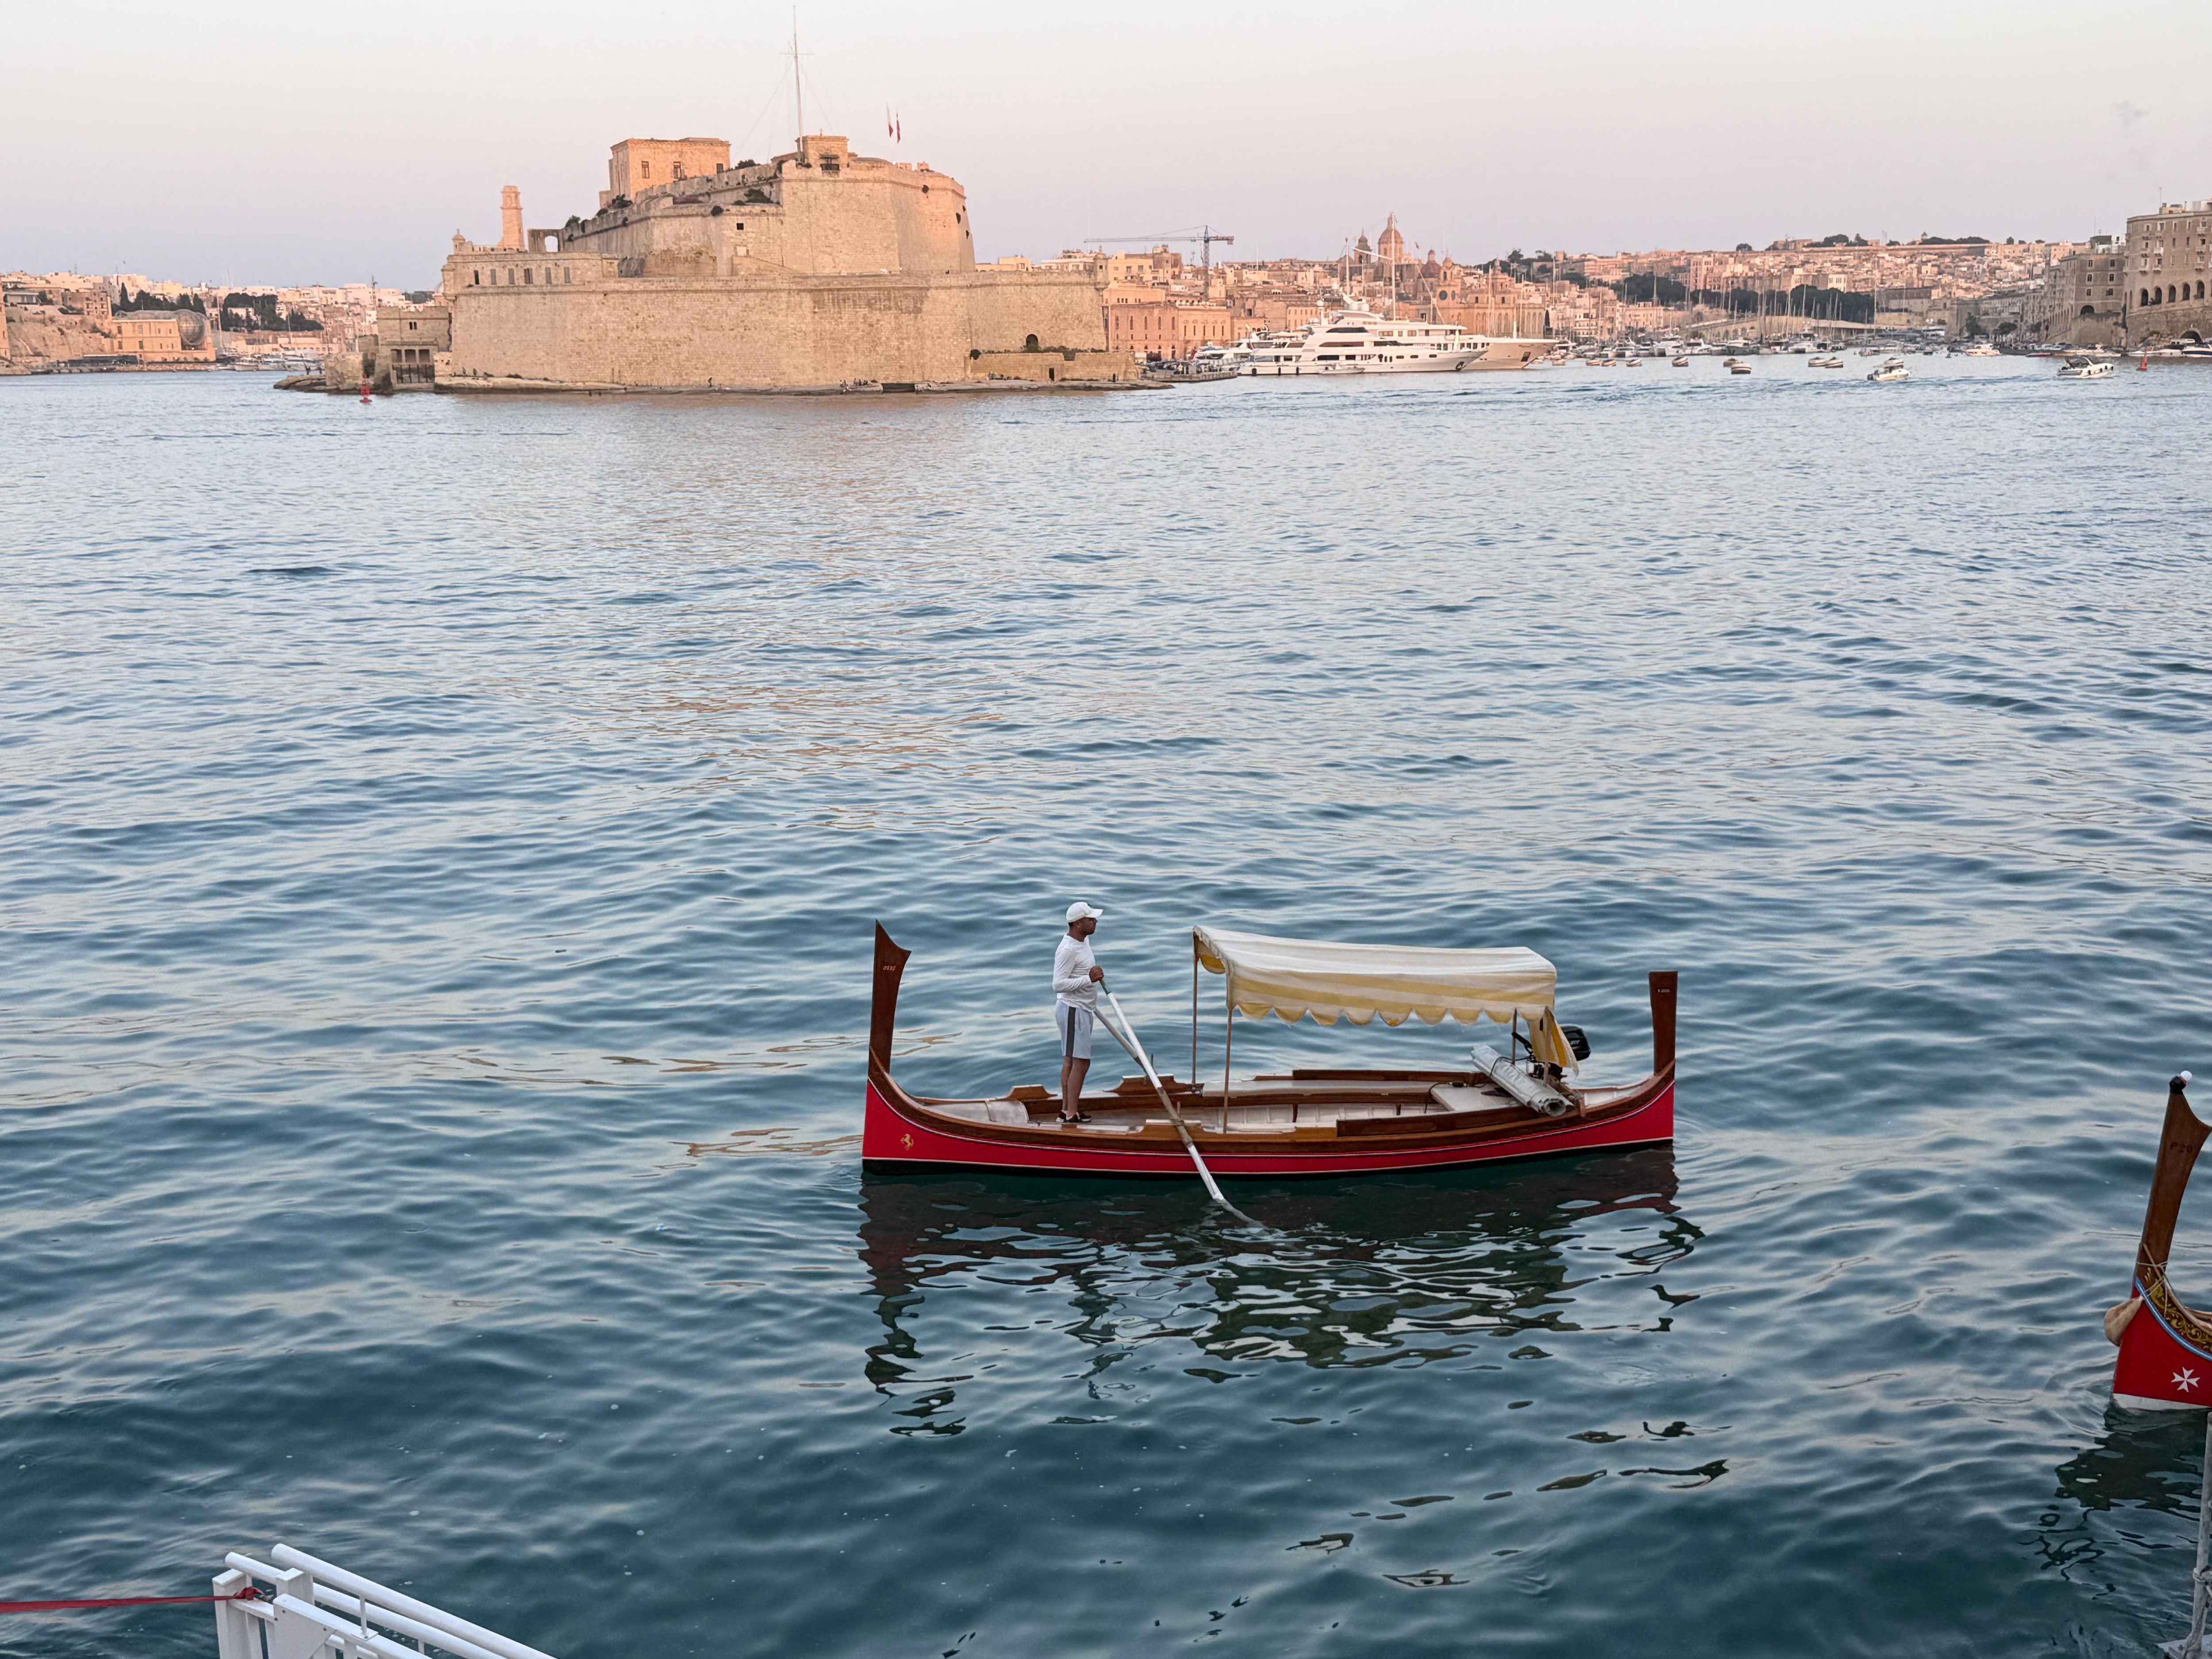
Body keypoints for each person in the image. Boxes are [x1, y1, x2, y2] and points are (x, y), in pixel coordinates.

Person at [1052, 902, 1106, 1125]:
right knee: (1080, 1063)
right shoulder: (1068, 950)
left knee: (1071, 1061)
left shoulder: (1084, 941)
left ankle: (1067, 1110)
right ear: (1077, 924)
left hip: (1083, 1009)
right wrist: (1089, 979)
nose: (1095, 922)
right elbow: (1058, 984)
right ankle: (1071, 1114)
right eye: (1091, 919)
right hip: (1073, 1009)